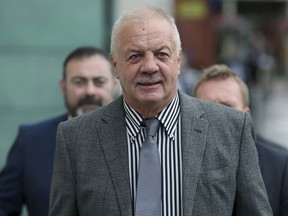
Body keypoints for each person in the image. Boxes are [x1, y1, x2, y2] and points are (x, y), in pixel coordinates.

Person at [49, 7, 272, 216]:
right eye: (135, 55)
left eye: (161, 54)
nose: (149, 66)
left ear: (178, 61)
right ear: (115, 64)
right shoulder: (76, 139)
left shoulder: (232, 129)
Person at [0, 46, 117, 216]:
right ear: (63, 87)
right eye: (79, 82)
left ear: (113, 85)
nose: (90, 91)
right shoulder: (30, 141)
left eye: (99, 82)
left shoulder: (133, 136)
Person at [194, 64, 288, 216]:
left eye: (228, 106)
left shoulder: (280, 165)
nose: (220, 115)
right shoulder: (179, 161)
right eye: (208, 107)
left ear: (247, 115)